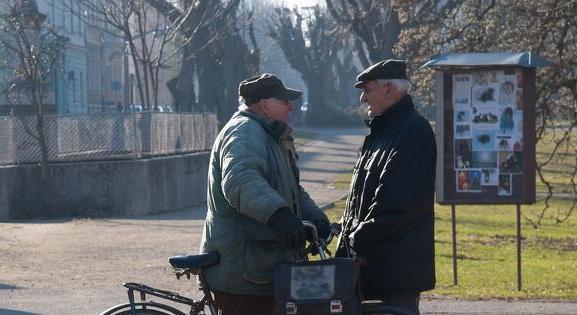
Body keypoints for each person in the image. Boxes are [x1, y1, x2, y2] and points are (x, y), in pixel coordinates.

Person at [199, 73, 330, 315]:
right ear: (264, 102)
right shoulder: (246, 132)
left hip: (264, 265)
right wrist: (279, 215)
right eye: (284, 100)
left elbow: (292, 189)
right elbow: (241, 180)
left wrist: (318, 219)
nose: (291, 106)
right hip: (245, 271)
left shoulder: (269, 135)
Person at [336, 60, 437, 315]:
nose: (363, 98)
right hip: (372, 268)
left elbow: (398, 206)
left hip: (394, 274)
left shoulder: (412, 132)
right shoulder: (382, 131)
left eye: (367, 90)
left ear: (389, 90)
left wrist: (354, 238)